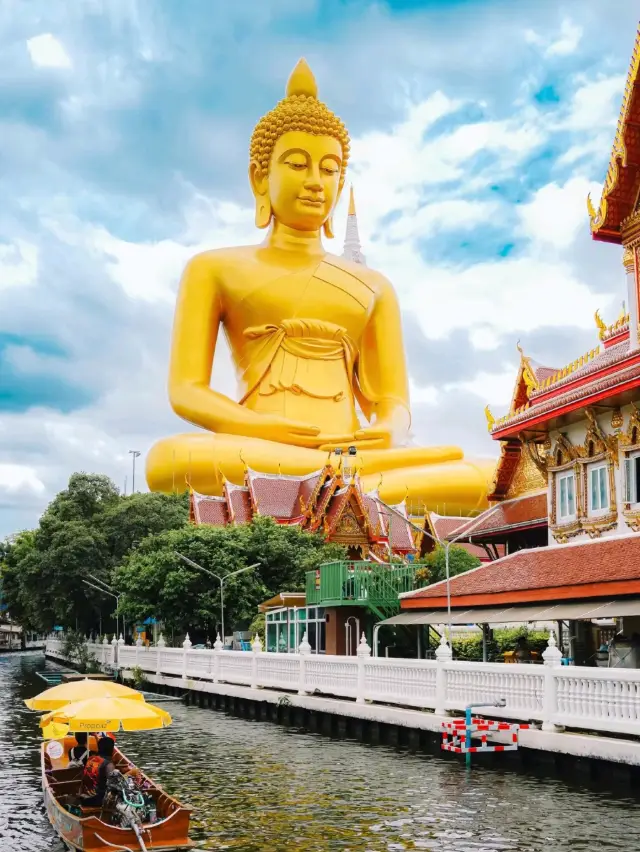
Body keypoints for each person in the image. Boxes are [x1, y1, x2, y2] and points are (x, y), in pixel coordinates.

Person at [80, 736, 116, 806]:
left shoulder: (91, 759)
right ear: (110, 749)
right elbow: (114, 783)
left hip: (84, 797)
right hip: (98, 800)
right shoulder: (108, 764)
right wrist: (130, 773)